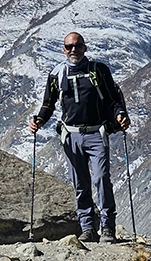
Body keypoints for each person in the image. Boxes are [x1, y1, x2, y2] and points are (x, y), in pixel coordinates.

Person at [29, 32, 130, 243]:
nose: (73, 50)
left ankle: (107, 227)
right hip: (71, 136)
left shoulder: (98, 71)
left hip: (96, 133)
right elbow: (49, 104)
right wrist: (39, 119)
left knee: (101, 178)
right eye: (69, 47)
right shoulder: (56, 74)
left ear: (85, 48)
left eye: (78, 46)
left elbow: (112, 100)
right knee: (80, 184)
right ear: (63, 49)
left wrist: (120, 114)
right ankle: (88, 228)